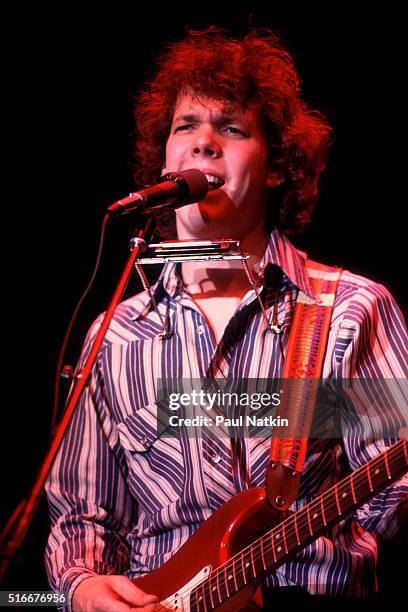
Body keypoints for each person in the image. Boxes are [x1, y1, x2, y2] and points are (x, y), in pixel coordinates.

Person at [44, 28, 407, 611]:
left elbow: (390, 497)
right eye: (185, 126)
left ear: (275, 167)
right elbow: (84, 517)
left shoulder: (349, 310)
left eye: (232, 129)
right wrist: (82, 586)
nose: (203, 142)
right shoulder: (114, 333)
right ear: (165, 158)